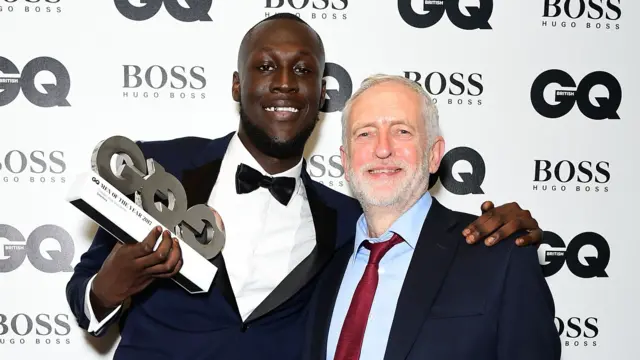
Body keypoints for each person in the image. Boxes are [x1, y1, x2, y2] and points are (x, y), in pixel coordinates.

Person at [66, 14, 545, 360]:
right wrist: (110, 287)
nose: (284, 83)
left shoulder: (349, 221)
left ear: (321, 95)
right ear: (237, 85)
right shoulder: (160, 169)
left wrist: (507, 228)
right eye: (265, 66)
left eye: (302, 70)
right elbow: (85, 297)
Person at [303, 74, 561, 360]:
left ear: (435, 155)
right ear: (346, 160)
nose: (383, 148)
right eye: (365, 133)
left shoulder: (500, 256)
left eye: (402, 131)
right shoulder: (321, 267)